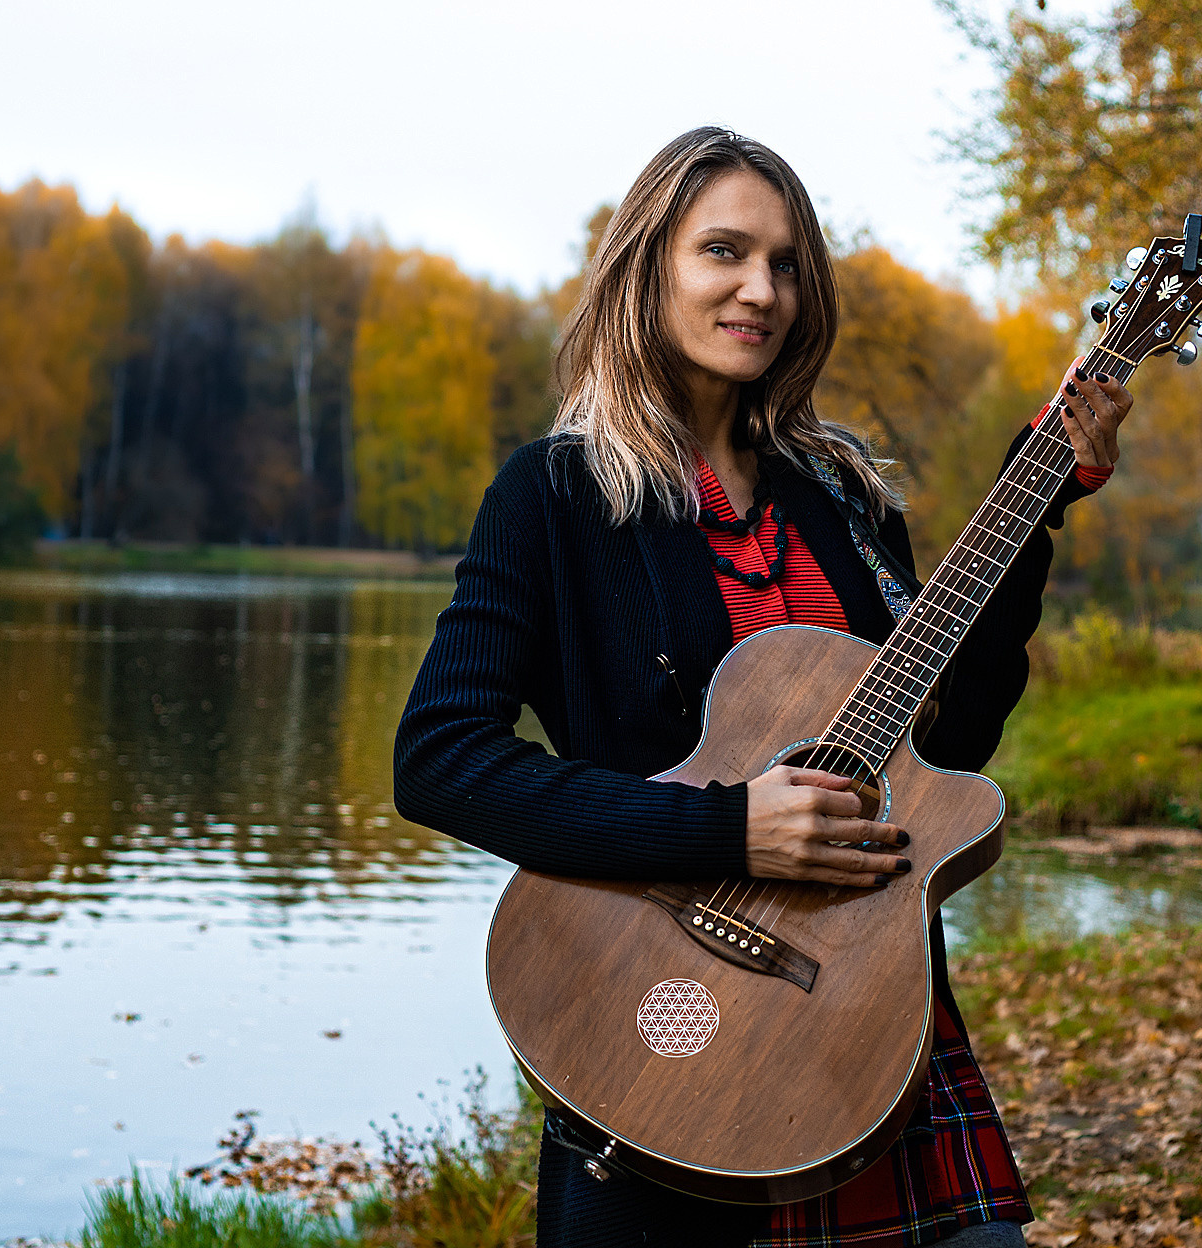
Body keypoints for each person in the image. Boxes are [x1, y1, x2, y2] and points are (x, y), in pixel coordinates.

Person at [394, 127, 1130, 1248]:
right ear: (648, 270)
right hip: (656, 1035)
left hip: (856, 1026)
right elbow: (440, 760)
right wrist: (728, 830)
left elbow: (950, 743)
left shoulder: (839, 497)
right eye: (723, 252)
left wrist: (1034, 507)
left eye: (785, 263)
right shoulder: (555, 495)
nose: (760, 289)